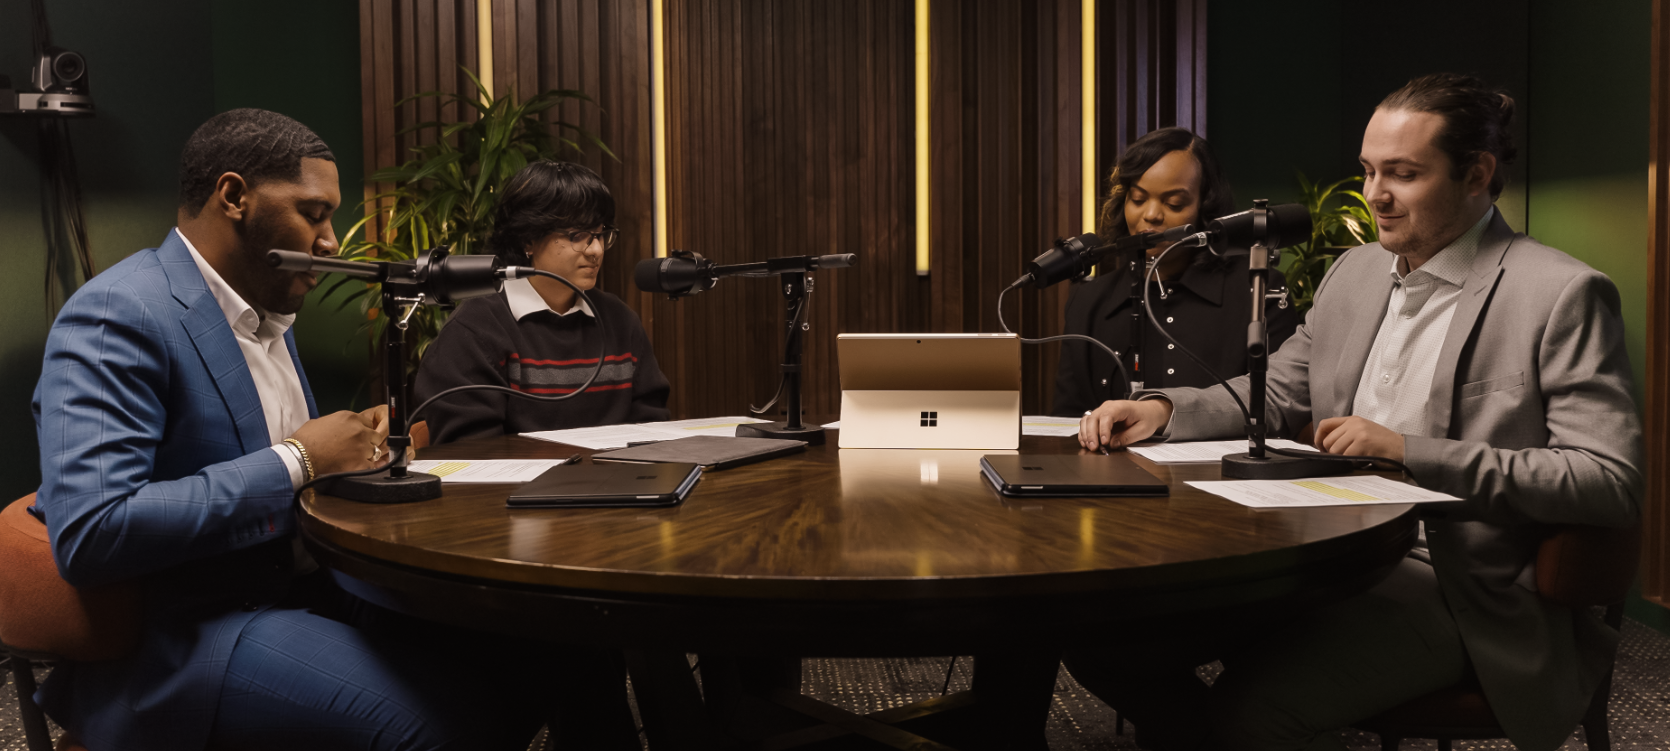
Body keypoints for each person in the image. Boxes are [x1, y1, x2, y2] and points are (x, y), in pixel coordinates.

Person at [1069, 74, 1642, 751]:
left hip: (1458, 588)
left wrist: (1408, 450)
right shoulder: (1355, 274)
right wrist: (1164, 409)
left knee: (1248, 717)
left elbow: (1607, 480)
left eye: (1403, 173)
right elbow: (1277, 391)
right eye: (1368, 171)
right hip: (1322, 555)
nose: (1374, 195)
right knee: (1104, 644)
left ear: (1477, 174)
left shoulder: (1562, 292)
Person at [32, 109, 630, 751]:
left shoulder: (260, 311)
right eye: (313, 213)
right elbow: (92, 532)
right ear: (234, 196)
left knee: (567, 645)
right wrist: (299, 459)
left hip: (312, 585)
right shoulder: (116, 315)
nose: (332, 240)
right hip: (191, 631)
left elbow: (286, 470)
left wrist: (356, 453)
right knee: (444, 729)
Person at [414, 160, 670, 445]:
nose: (596, 250)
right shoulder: (475, 331)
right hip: (513, 487)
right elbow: (472, 452)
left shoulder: (620, 320)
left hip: (622, 485)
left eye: (600, 235)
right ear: (529, 239)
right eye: (578, 236)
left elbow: (653, 430)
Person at [1052, 127, 1298, 417]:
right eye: (1138, 199)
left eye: (1174, 204)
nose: (1152, 215)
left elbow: (1280, 405)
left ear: (1205, 209)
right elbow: (1066, 419)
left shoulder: (1256, 290)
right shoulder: (1088, 300)